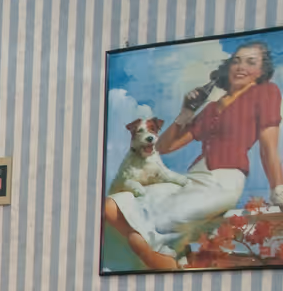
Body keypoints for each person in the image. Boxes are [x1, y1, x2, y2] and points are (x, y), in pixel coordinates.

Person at [105, 40, 283, 270]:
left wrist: (278, 190)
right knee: (112, 206)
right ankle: (164, 256)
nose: (240, 66)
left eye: (251, 62)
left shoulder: (266, 92)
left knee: (148, 228)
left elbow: (269, 147)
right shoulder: (210, 109)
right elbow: (166, 146)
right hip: (192, 179)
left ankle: (162, 257)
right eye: (236, 60)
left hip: (222, 183)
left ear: (261, 72)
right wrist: (187, 111)